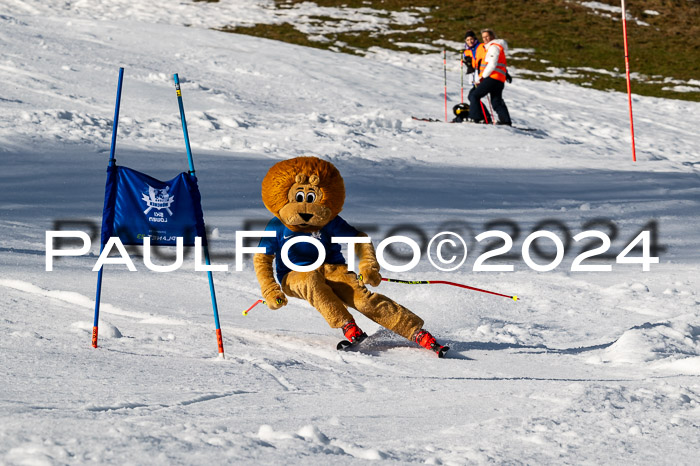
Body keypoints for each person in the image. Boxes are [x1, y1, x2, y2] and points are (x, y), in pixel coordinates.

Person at [467, 28, 512, 126]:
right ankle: (506, 121)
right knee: (496, 101)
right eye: (483, 37)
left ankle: (476, 118)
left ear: (493, 36)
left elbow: (492, 64)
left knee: (474, 95)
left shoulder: (493, 47)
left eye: (487, 36)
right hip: (499, 79)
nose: (485, 39)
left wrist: (481, 78)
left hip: (492, 77)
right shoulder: (495, 47)